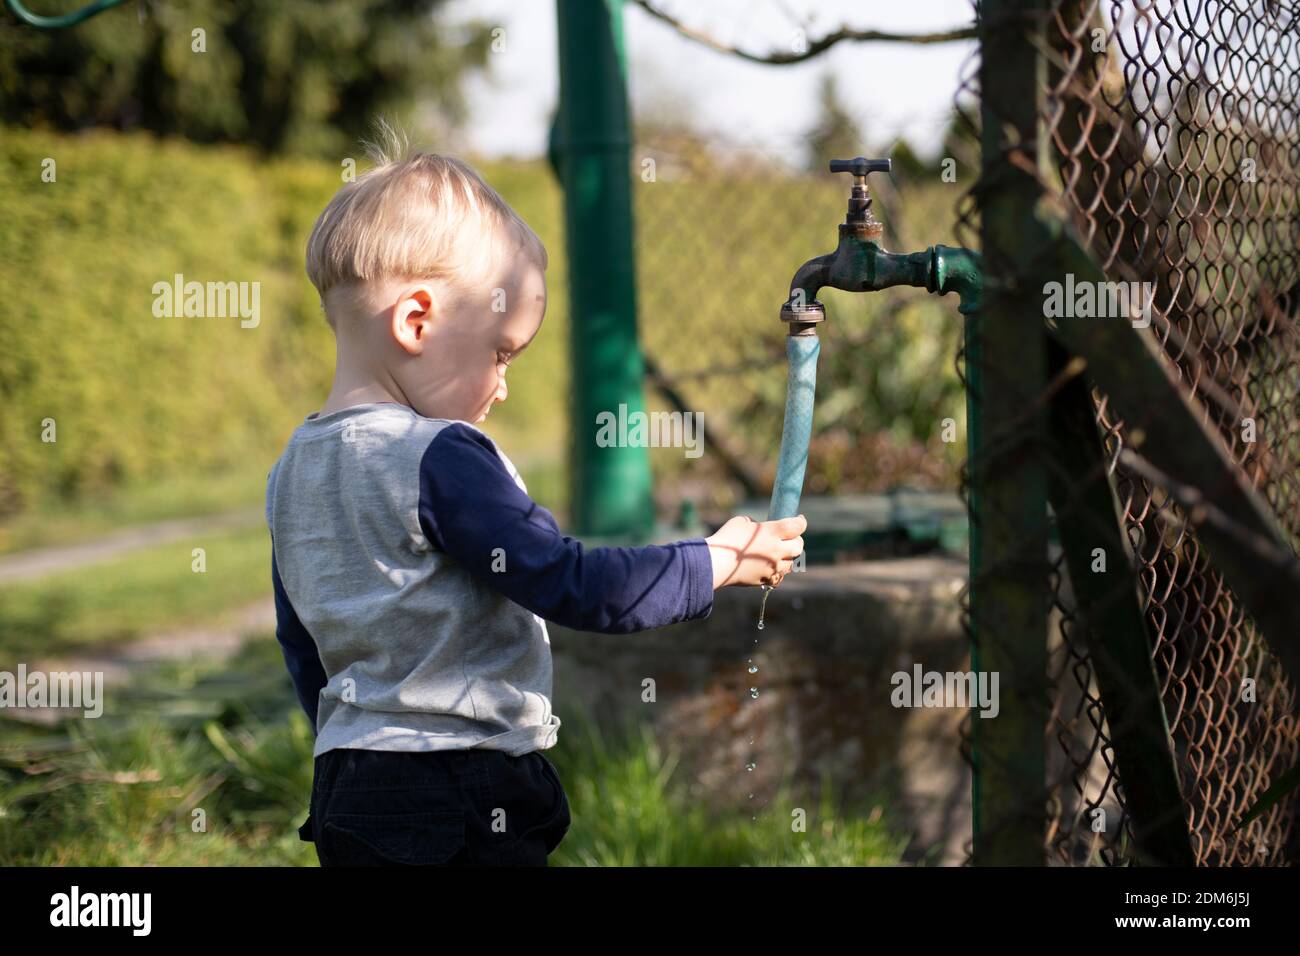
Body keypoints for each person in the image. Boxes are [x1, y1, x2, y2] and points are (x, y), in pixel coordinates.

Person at [266, 125, 806, 866]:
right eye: (500, 351)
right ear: (416, 320)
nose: (503, 383)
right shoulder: (439, 457)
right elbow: (574, 583)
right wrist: (715, 560)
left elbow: (301, 642)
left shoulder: (294, 467)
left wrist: (351, 743)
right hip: (458, 788)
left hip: (349, 793)